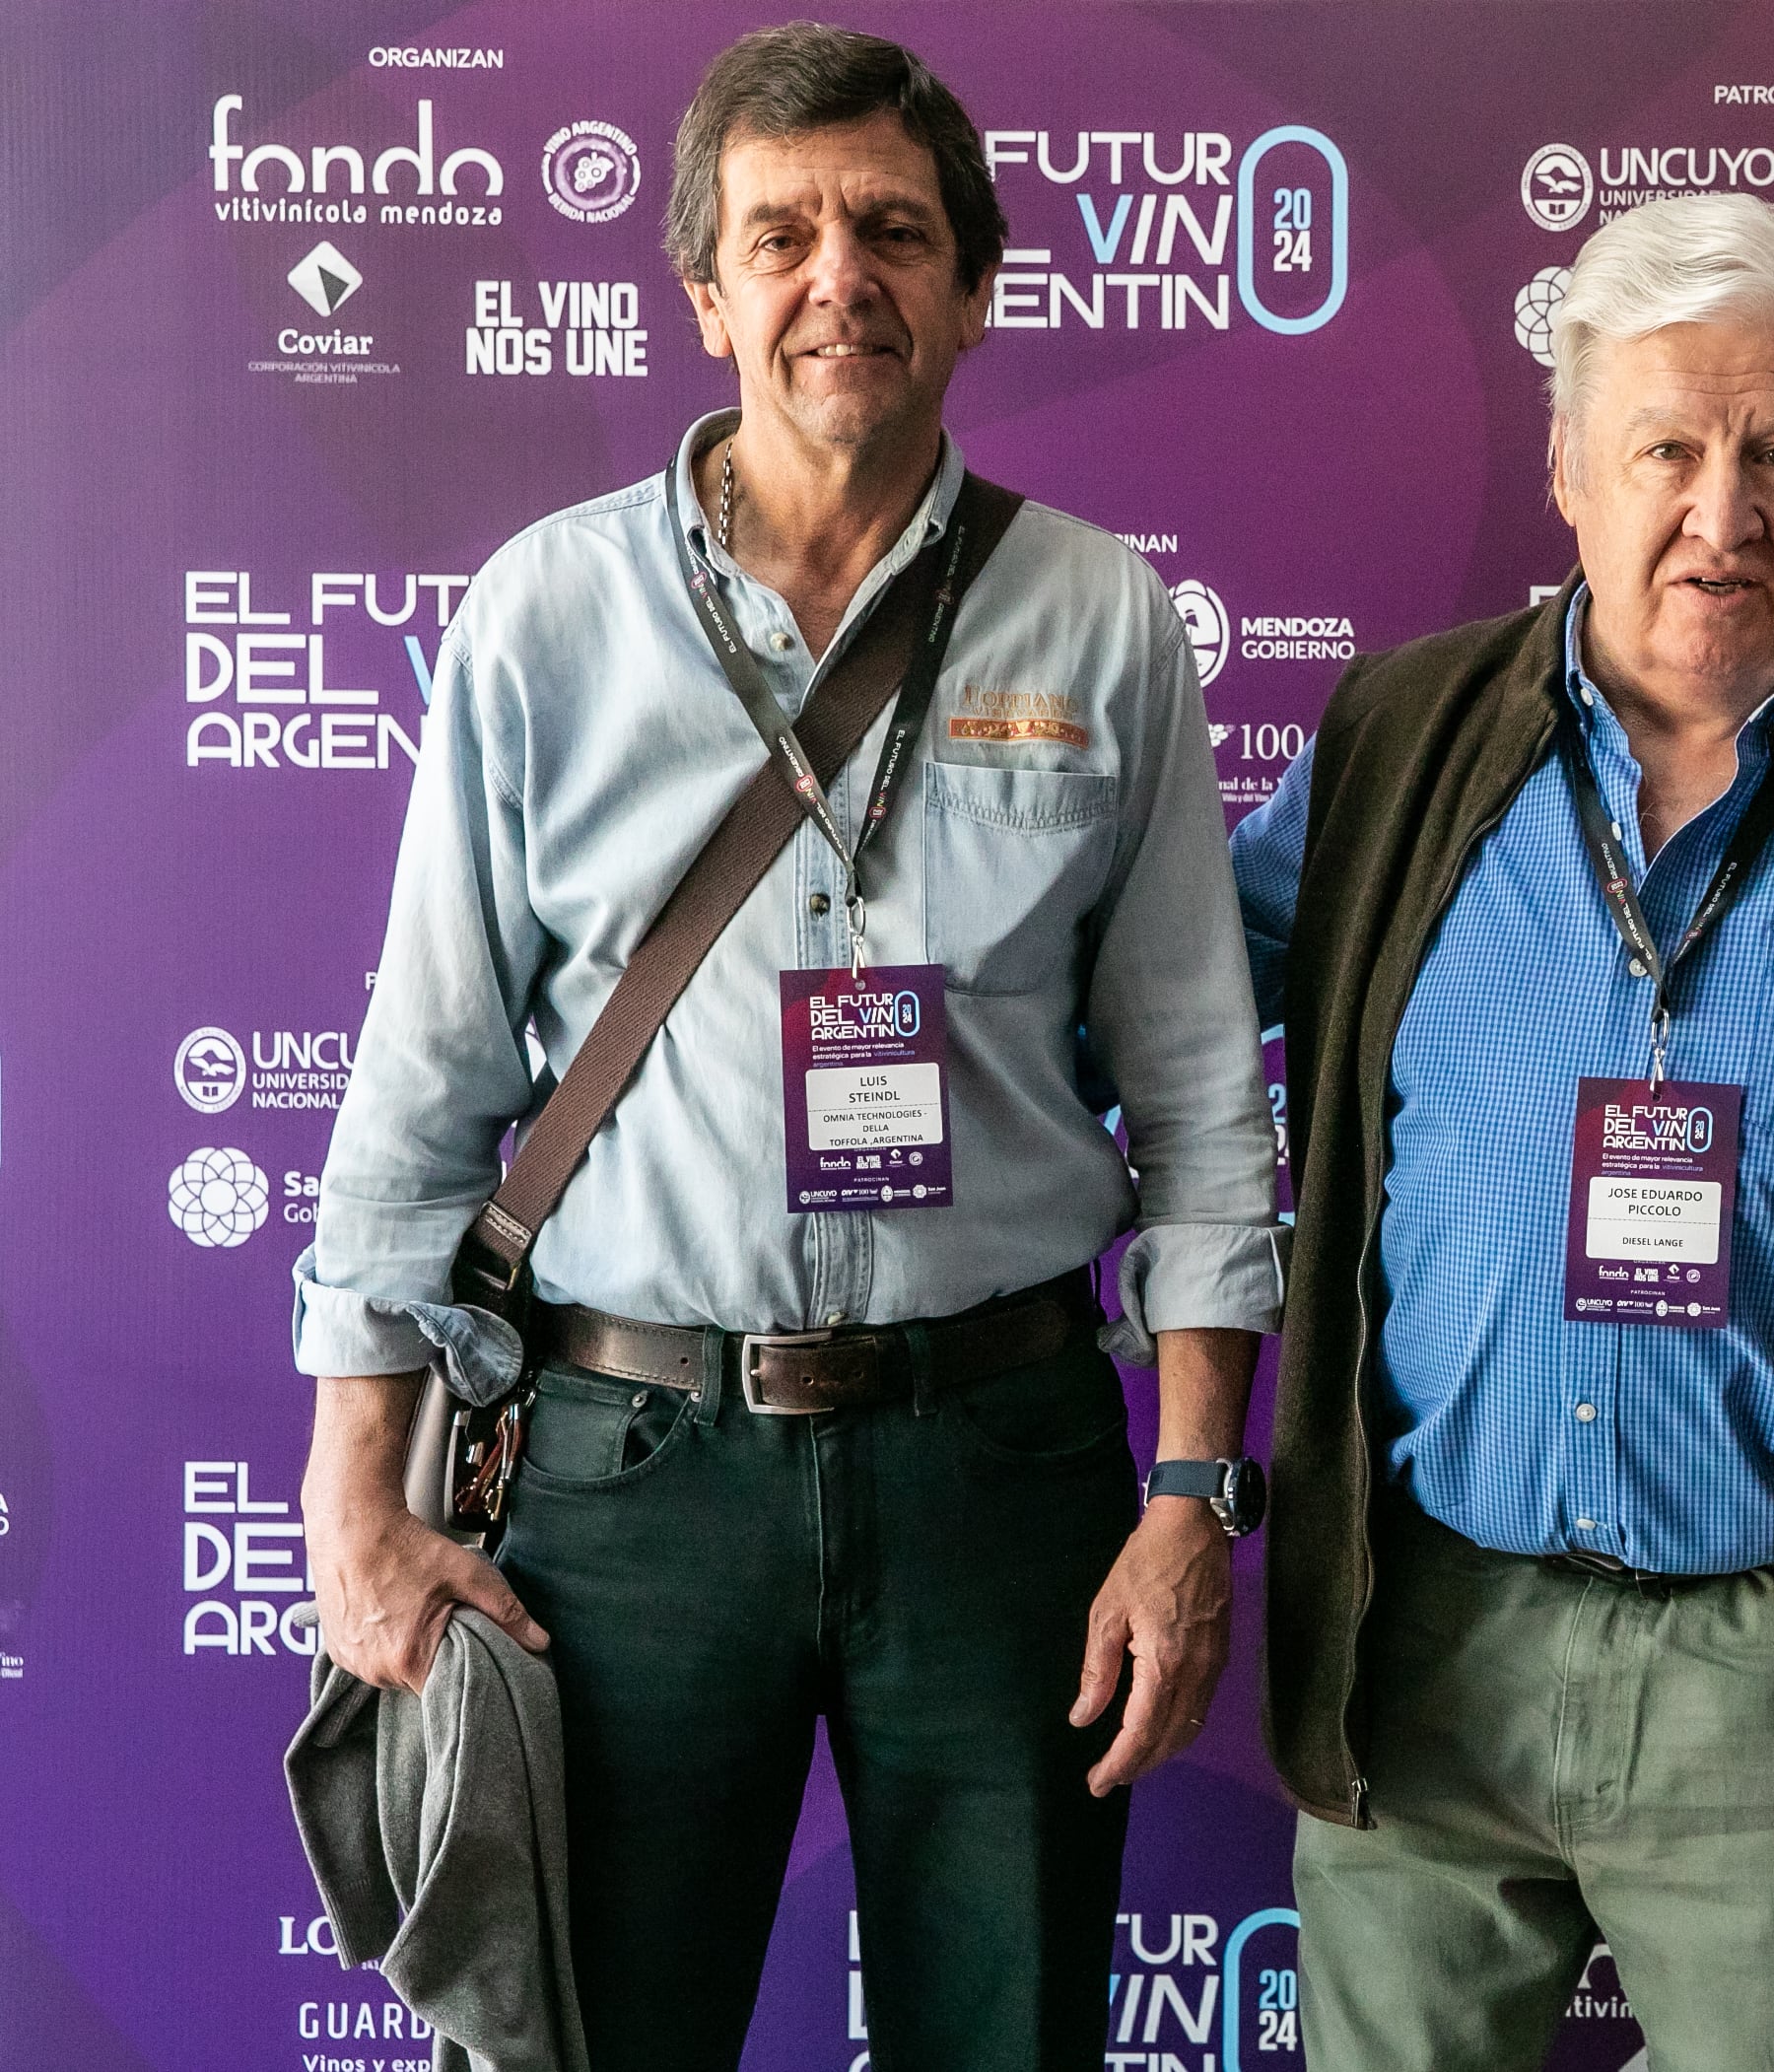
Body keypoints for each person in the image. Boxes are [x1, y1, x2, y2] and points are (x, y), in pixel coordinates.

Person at [292, 26, 1281, 2068]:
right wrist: (352, 1504)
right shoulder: (543, 617)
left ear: (976, 287)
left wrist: (1189, 1496)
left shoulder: (1101, 619)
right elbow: (422, 1089)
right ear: (707, 289)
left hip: (997, 1469)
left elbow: (1198, 1103)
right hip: (632, 1481)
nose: (843, 276)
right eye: (786, 233)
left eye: (895, 231)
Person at [1230, 191, 1774, 2072]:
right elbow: (1153, 1023)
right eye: (1665, 448)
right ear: (1566, 467)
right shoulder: (1395, 739)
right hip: (1423, 1632)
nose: (1722, 513)